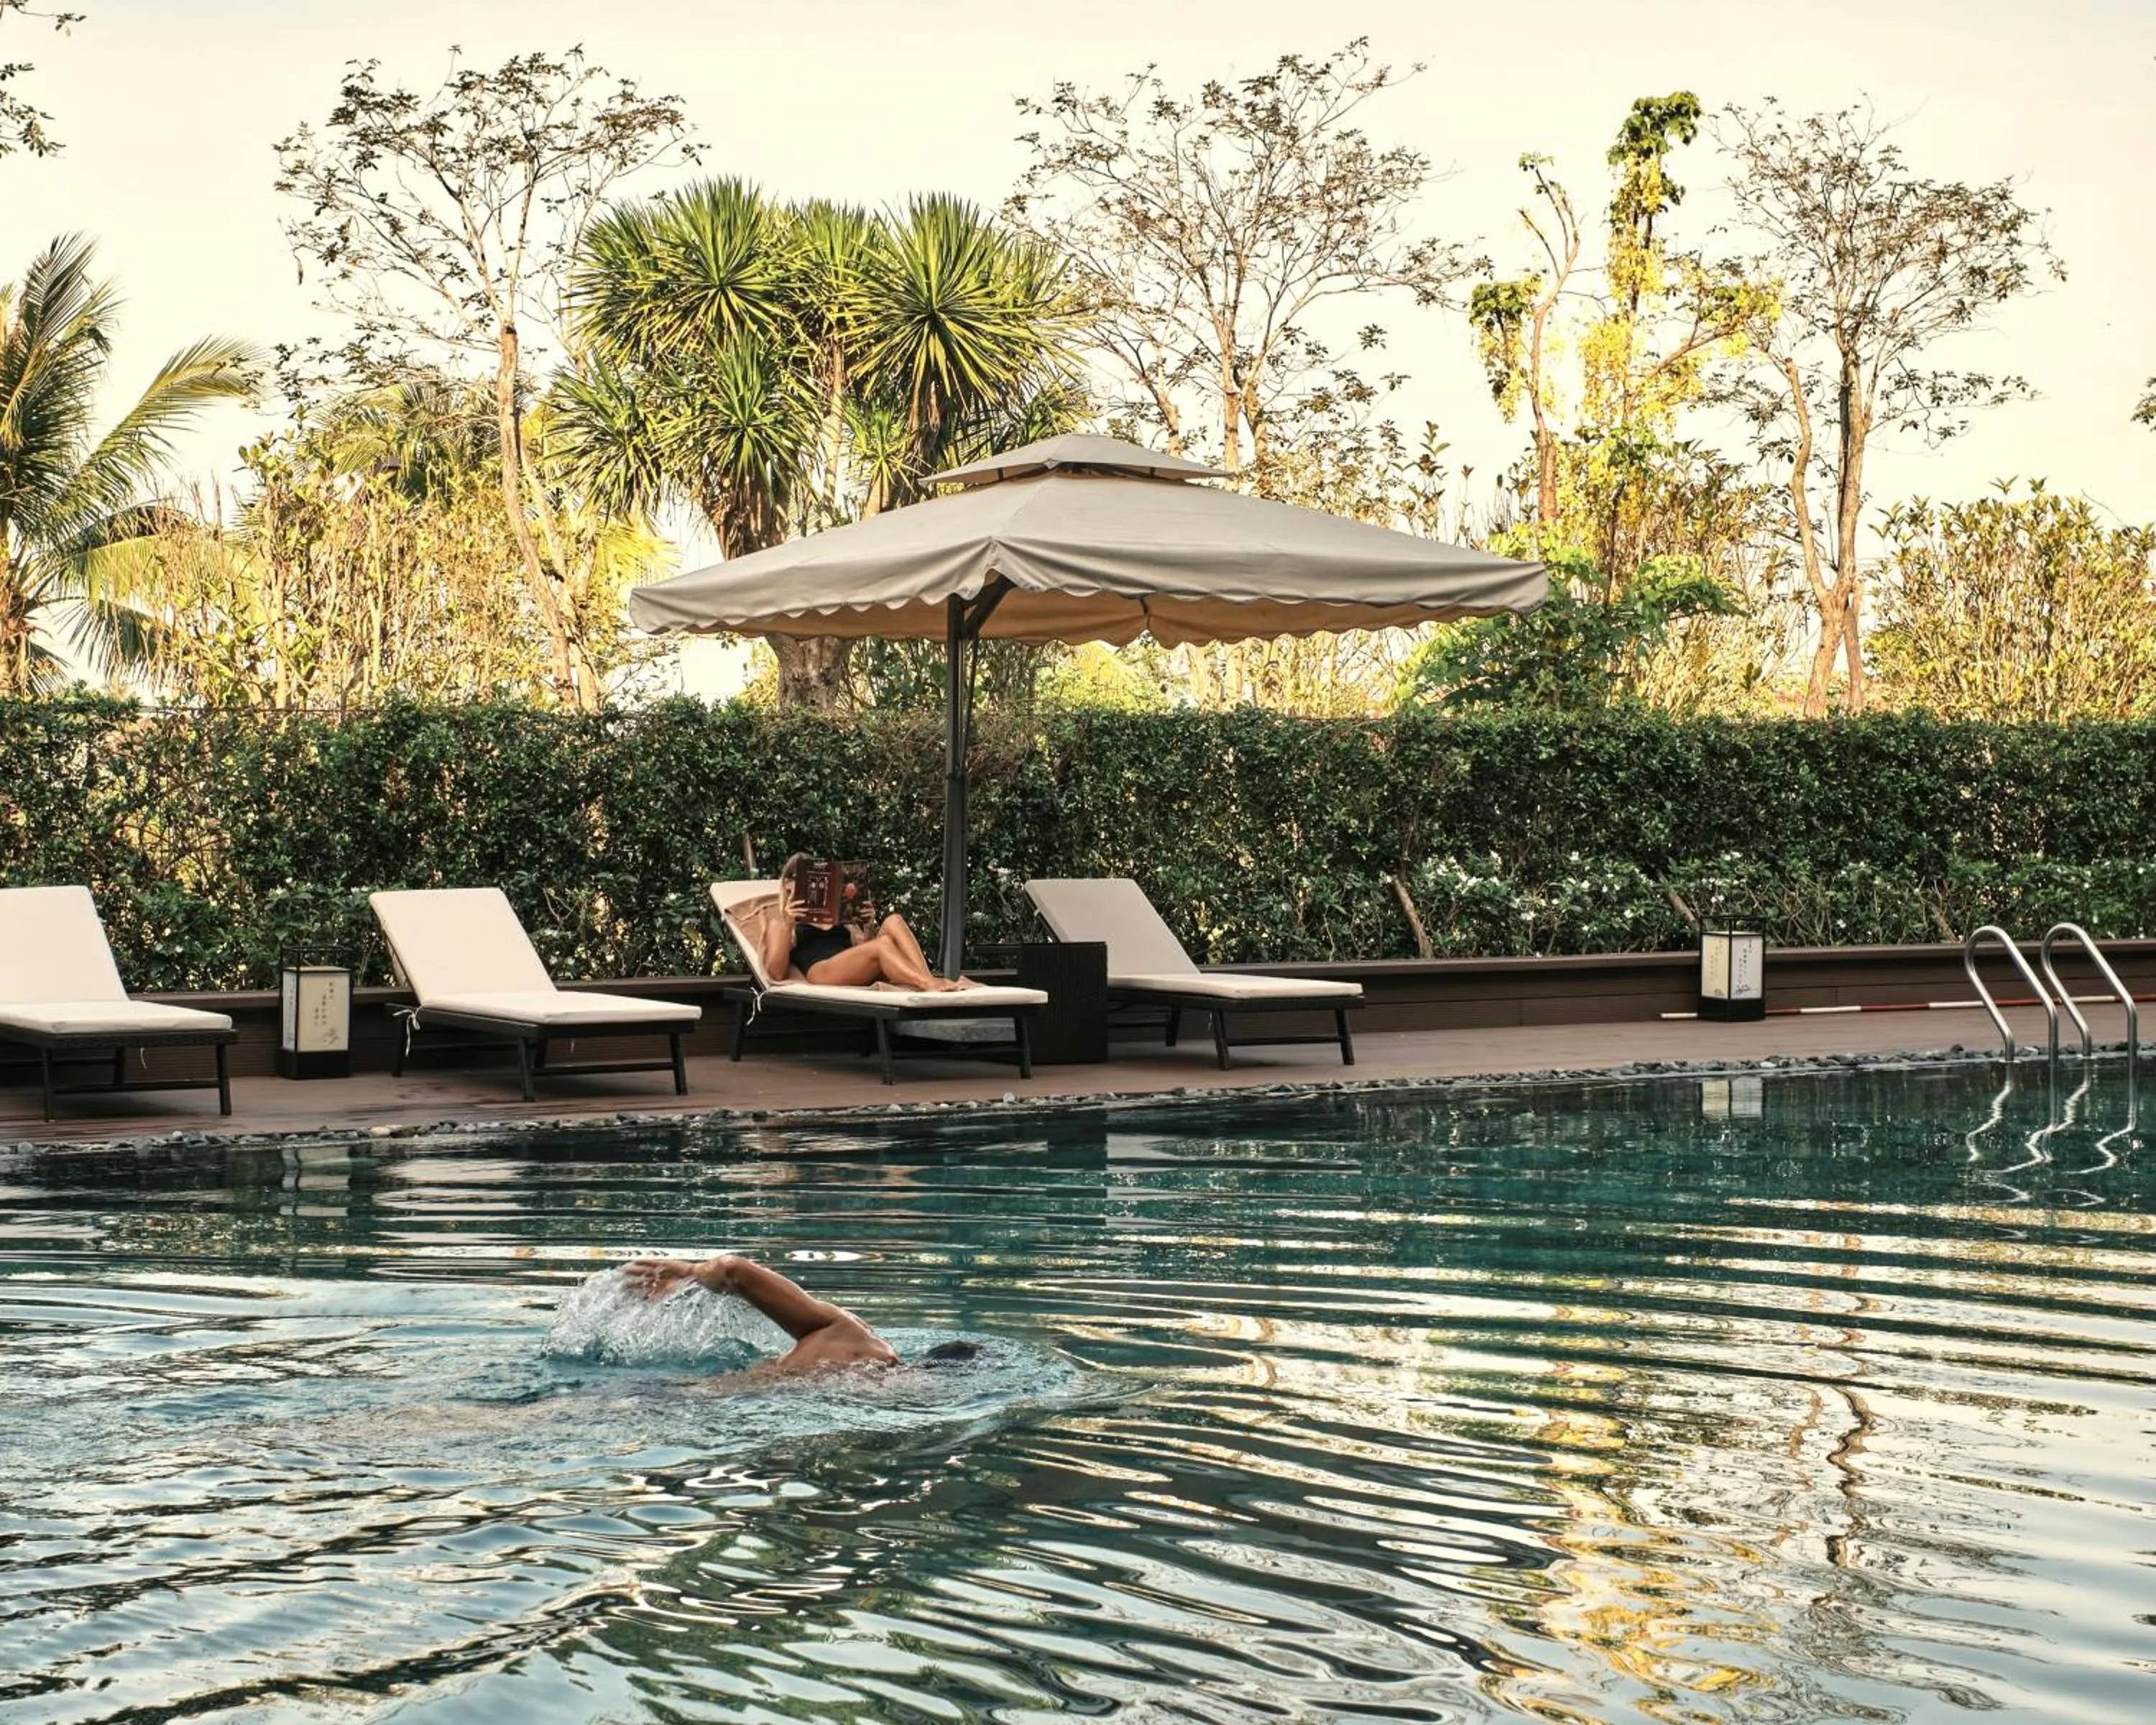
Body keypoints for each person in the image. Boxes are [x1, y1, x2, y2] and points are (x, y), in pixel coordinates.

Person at [623, 1251, 980, 1379]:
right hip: (698, 1413)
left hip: (668, 1401)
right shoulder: (872, 1382)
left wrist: (689, 1272)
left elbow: (733, 1269)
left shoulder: (850, 1335)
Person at [763, 852, 972, 992]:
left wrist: (869, 925)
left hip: (852, 966)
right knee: (884, 945)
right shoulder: (780, 922)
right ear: (788, 883)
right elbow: (776, 973)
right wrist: (789, 924)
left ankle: (927, 980)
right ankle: (927, 984)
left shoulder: (835, 913)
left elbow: (865, 949)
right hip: (822, 970)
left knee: (894, 921)